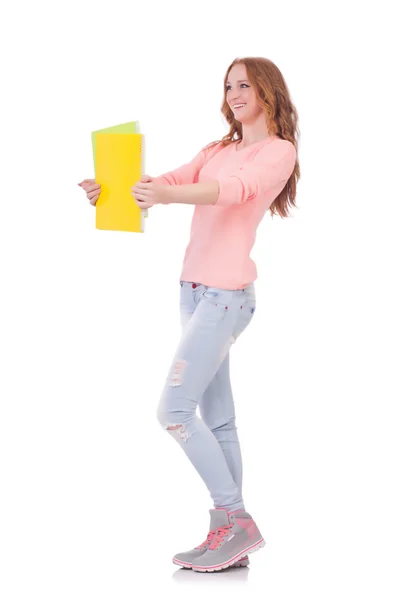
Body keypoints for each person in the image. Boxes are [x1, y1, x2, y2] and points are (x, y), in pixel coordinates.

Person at [78, 56, 300, 572]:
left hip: (226, 296)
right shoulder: (217, 148)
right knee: (218, 420)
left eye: (245, 84)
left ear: (268, 91)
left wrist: (168, 195)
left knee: (173, 412)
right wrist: (112, 192)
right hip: (194, 292)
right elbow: (169, 180)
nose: (235, 93)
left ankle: (238, 520)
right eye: (228, 86)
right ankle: (229, 536)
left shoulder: (277, 151)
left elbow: (231, 192)